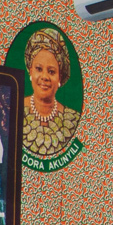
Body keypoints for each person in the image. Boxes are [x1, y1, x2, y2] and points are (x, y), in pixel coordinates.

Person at [19, 26, 82, 163]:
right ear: (30, 70)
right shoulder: (14, 110)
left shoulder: (71, 119)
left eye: (52, 72)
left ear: (60, 77)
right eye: (39, 69)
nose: (44, 77)